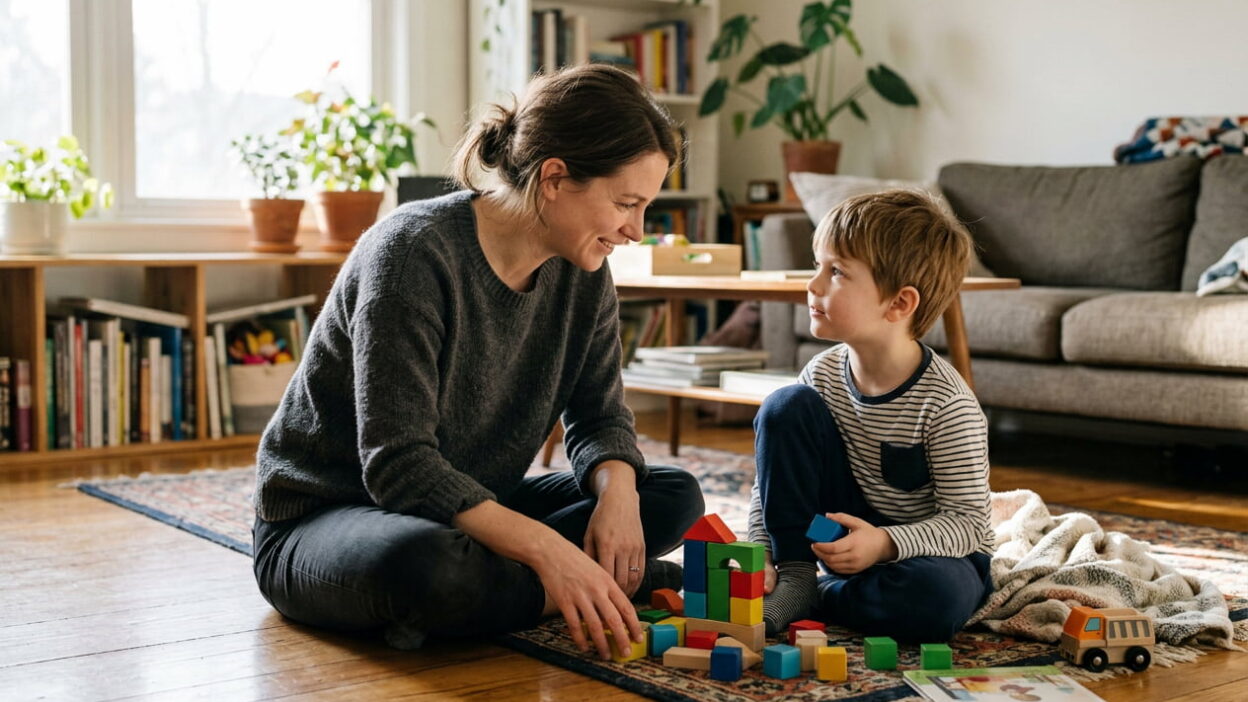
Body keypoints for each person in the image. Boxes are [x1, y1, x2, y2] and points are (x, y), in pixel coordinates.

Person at [251, 64, 705, 661]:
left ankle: (535, 590)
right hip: (328, 518)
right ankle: (596, 584)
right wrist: (549, 551)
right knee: (431, 567)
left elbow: (599, 420)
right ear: (554, 178)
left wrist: (618, 499)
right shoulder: (412, 253)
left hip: (471, 505)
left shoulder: (584, 272)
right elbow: (399, 466)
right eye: (625, 203)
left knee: (669, 494)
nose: (635, 231)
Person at [747, 189, 994, 642]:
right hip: (840, 533)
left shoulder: (947, 404)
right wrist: (761, 550)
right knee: (784, 405)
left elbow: (969, 525)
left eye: (837, 272)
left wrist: (884, 544)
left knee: (937, 598)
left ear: (899, 304)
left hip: (927, 551)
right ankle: (798, 577)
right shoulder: (819, 375)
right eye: (817, 265)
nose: (814, 284)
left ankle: (822, 596)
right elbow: (772, 482)